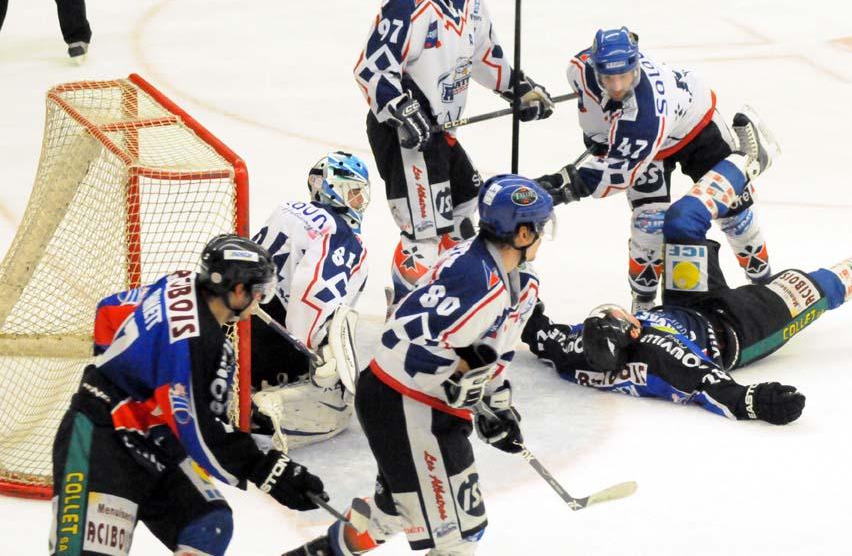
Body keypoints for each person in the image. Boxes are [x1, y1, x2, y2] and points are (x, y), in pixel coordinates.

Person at [524, 115, 852, 424]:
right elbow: (713, 387)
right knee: (810, 287)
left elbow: (541, 335)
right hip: (740, 330)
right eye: (620, 317)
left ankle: (747, 162)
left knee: (681, 220)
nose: (620, 312)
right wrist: (759, 402)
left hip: (686, 303)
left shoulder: (581, 350)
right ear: (634, 332)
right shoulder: (664, 355)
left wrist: (513, 291)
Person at [284, 175, 554, 556]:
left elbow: (491, 349)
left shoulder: (514, 279)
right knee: (459, 537)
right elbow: (409, 343)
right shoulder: (477, 281)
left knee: (392, 513)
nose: (543, 235)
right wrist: (458, 382)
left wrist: (496, 404)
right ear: (522, 234)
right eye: (540, 227)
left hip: (409, 402)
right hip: (406, 404)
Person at [49, 235, 327, 555]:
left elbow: (110, 309)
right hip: (101, 437)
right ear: (238, 291)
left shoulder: (180, 282)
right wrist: (269, 471)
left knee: (208, 523)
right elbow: (201, 434)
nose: (259, 302)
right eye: (258, 292)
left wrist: (126, 373)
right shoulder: (197, 342)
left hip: (152, 436)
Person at [355, 0, 554, 308]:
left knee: (464, 210)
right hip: (403, 134)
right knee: (425, 232)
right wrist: (402, 107)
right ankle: (406, 313)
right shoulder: (406, 2)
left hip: (440, 133)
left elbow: (486, 57)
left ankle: (453, 298)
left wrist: (519, 90)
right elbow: (372, 69)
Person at [534, 27, 775, 312]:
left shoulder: (646, 112)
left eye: (624, 76)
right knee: (648, 224)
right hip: (644, 145)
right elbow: (593, 113)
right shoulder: (579, 69)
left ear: (635, 66)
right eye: (608, 78)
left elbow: (618, 175)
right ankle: (643, 307)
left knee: (736, 213)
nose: (617, 86)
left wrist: (567, 185)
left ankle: (765, 284)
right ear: (595, 68)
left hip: (696, 126)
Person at [248, 151, 371, 451]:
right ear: (332, 189)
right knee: (338, 404)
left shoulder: (287, 208)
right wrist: (317, 347)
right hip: (276, 338)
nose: (359, 201)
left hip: (242, 317)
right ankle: (269, 404)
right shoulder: (342, 235)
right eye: (353, 192)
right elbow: (314, 292)